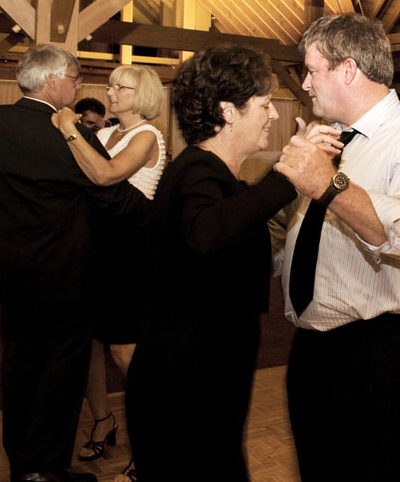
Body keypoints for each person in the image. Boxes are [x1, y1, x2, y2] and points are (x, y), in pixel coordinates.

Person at [274, 13, 400, 482]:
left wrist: (329, 184)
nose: (306, 84)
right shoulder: (331, 136)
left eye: (312, 71)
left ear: (348, 69)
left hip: (377, 354)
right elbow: (307, 234)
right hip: (313, 346)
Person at [124, 45, 296, 481]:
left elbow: (236, 224)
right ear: (228, 111)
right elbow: (207, 233)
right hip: (185, 383)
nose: (273, 114)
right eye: (264, 104)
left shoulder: (216, 175)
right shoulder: (198, 169)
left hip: (203, 374)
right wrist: (287, 178)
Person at [0, 44, 149, 482]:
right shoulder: (67, 134)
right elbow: (113, 195)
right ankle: (46, 470)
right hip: (65, 273)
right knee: (61, 373)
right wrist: (161, 220)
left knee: (18, 365)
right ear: (52, 80)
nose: (79, 87)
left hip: (8, 271)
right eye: (75, 78)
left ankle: (21, 464)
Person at [52, 66, 167, 482]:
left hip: (129, 252)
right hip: (94, 248)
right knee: (88, 344)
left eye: (122, 87)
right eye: (111, 85)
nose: (111, 91)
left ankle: (149, 448)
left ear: (144, 94)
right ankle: (103, 421)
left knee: (125, 353)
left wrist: (68, 127)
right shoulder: (104, 133)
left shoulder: (147, 135)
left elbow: (104, 175)